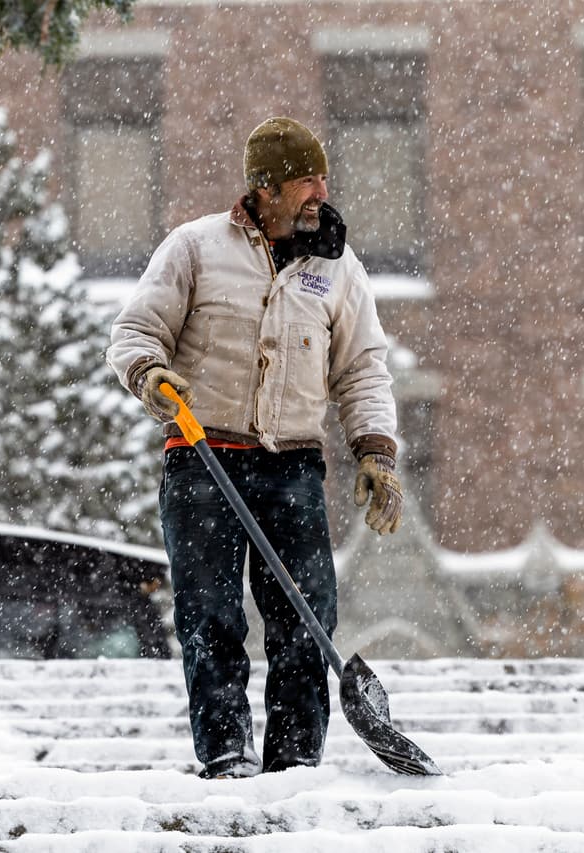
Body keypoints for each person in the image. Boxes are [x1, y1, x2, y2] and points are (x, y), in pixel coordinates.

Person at [107, 116, 404, 779]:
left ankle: (297, 757)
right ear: (264, 189)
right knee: (210, 615)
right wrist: (151, 375)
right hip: (202, 457)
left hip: (293, 465)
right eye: (306, 179)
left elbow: (362, 368)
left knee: (306, 616)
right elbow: (135, 331)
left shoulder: (338, 270)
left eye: (323, 177)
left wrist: (376, 451)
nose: (319, 191)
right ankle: (227, 752)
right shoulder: (194, 249)